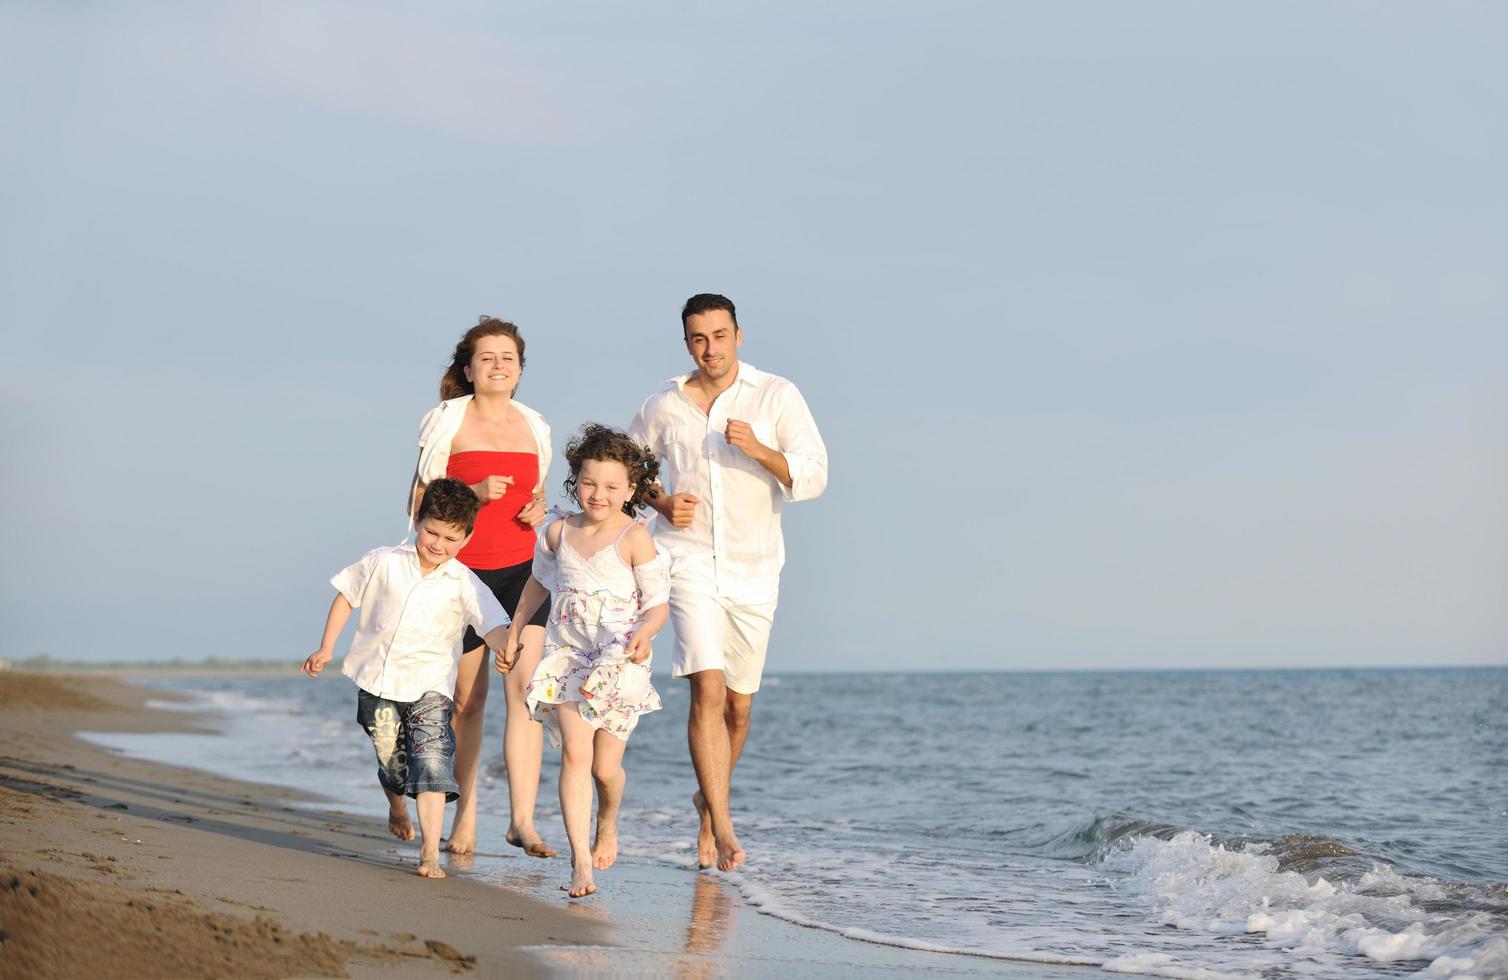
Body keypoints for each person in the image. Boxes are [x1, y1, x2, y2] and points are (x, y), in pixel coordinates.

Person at [629, 293, 828, 873]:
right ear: (685, 342)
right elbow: (626, 472)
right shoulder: (664, 404)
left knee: (739, 708)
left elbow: (814, 476)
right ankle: (721, 822)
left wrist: (759, 448)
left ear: (738, 335)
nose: (709, 348)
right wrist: (662, 501)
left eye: (719, 336)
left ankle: (706, 801)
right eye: (698, 338)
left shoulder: (777, 396)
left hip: (755, 568)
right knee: (707, 689)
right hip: (686, 561)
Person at [301, 478, 516, 880]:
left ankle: (430, 851)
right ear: (418, 520)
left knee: (432, 763)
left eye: (451, 538)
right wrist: (326, 648)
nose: (438, 544)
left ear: (467, 538)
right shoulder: (383, 560)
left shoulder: (465, 582)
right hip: (377, 679)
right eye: (432, 531)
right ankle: (397, 806)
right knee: (393, 764)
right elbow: (347, 595)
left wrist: (504, 647)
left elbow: (492, 624)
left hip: (431, 686)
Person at [408, 317, 557, 859]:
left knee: (527, 696)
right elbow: (418, 505)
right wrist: (470, 491)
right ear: (468, 369)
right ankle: (464, 818)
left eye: (508, 357)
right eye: (486, 357)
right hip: (463, 578)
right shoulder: (446, 420)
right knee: (466, 704)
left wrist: (538, 507)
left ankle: (522, 821)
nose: (498, 364)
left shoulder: (536, 425)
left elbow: (538, 497)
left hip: (525, 574)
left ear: (519, 368)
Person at [499, 424, 670, 898]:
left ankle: (608, 819)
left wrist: (645, 633)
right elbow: (538, 584)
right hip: (569, 655)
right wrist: (514, 633)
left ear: (631, 490)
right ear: (576, 480)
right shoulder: (558, 531)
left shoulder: (635, 538)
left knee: (604, 769)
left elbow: (658, 604)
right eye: (590, 483)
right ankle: (580, 865)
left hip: (619, 659)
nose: (600, 495)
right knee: (577, 753)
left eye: (613, 487)